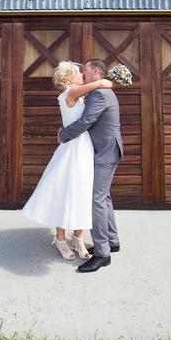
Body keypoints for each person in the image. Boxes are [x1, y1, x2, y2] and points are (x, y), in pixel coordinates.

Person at [21, 61, 113, 260]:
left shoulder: (77, 93)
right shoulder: (70, 93)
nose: (82, 75)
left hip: (84, 148)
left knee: (81, 192)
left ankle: (79, 239)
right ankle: (61, 240)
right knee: (64, 192)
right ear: (71, 78)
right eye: (79, 73)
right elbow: (101, 84)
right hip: (72, 148)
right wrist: (104, 80)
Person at [58, 59, 124, 273]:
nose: (83, 74)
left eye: (85, 70)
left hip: (105, 152)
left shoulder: (100, 94)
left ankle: (102, 253)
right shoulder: (98, 91)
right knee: (104, 197)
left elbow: (86, 121)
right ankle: (112, 241)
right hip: (108, 149)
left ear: (95, 71)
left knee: (96, 200)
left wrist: (63, 135)